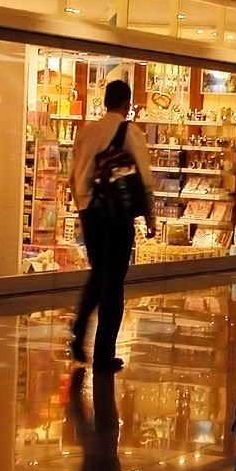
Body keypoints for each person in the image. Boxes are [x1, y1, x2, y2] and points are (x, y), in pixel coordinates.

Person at [69, 79, 154, 373]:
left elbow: (73, 175)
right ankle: (104, 353)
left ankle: (80, 328)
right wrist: (150, 217)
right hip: (117, 215)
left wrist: (83, 207)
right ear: (127, 104)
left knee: (99, 272)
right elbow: (143, 178)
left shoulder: (86, 132)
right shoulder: (130, 132)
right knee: (113, 282)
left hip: (90, 211)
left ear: (105, 101)